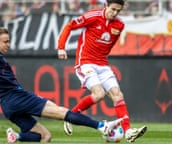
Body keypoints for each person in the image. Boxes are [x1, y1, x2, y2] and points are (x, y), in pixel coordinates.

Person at [0, 27, 123, 143]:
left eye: (8, 40)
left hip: (7, 105)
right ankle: (102, 127)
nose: (8, 44)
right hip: (17, 97)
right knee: (62, 112)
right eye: (5, 41)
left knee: (45, 136)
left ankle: (17, 137)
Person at [57, 0, 147, 143]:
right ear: (106, 6)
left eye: (118, 11)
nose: (115, 13)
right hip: (85, 62)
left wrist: (101, 57)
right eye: (113, 9)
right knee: (98, 94)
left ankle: (128, 131)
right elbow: (70, 26)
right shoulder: (92, 16)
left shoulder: (119, 25)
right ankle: (72, 115)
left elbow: (109, 45)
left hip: (103, 64)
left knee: (118, 95)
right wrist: (61, 47)